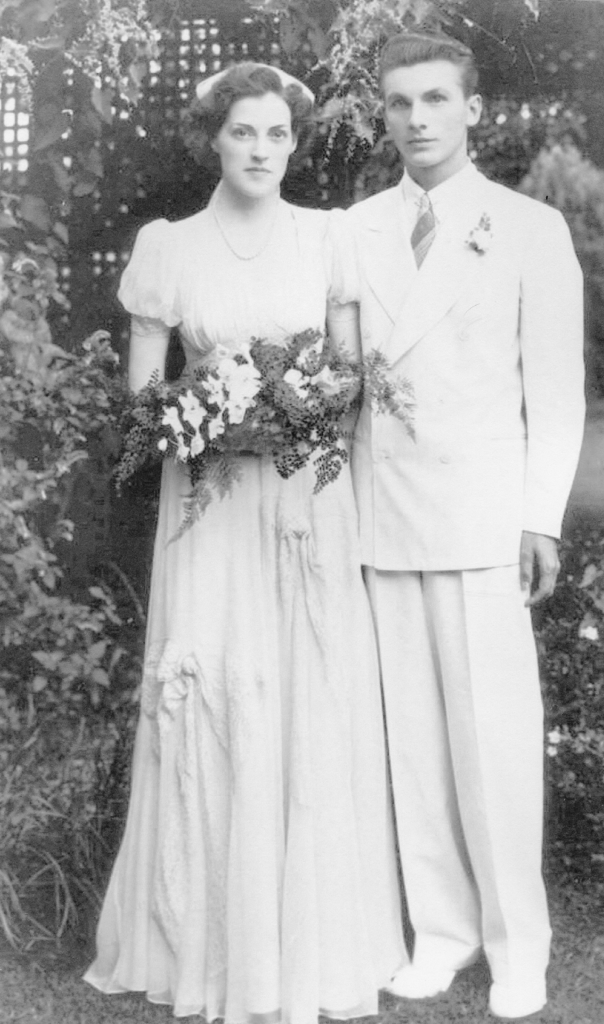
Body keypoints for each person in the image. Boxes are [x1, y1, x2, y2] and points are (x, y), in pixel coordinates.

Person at [84, 62, 407, 1024]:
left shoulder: (327, 238)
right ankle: (207, 940)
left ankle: (303, 942)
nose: (261, 151)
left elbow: (351, 378)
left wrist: (300, 424)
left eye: (277, 136)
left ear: (294, 144)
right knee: (218, 686)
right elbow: (142, 401)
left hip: (303, 500)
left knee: (303, 688)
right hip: (208, 513)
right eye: (242, 134)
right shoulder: (168, 248)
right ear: (212, 140)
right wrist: (204, 419)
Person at [346, 33, 585, 1020]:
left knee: (493, 741)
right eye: (400, 103)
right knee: (414, 740)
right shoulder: (354, 229)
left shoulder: (528, 226)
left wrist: (542, 516)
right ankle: (441, 933)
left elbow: (558, 391)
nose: (418, 119)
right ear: (384, 114)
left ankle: (515, 943)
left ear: (473, 109)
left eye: (437, 99)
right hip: (382, 512)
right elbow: (337, 378)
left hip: (485, 518)